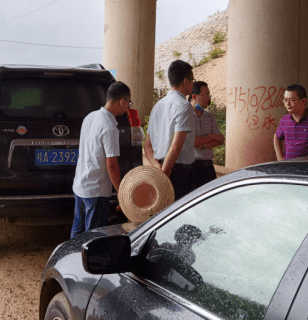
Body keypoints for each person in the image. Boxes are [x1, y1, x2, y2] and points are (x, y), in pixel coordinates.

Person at [71, 81, 132, 238]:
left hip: (80, 186)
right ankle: (85, 263)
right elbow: (112, 164)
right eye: (128, 103)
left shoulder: (90, 117)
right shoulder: (110, 127)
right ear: (121, 101)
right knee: (93, 239)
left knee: (77, 232)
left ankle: (70, 260)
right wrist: (121, 192)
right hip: (96, 192)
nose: (128, 107)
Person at [144, 60, 196, 200]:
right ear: (185, 81)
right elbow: (175, 147)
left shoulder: (157, 106)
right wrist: (165, 174)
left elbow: (147, 146)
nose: (193, 83)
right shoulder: (184, 106)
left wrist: (157, 166)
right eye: (192, 80)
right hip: (177, 171)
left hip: (160, 166)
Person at [188, 81, 224, 189]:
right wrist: (212, 137)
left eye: (209, 95)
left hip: (208, 166)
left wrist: (202, 144)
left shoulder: (209, 116)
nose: (208, 98)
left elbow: (221, 139)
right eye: (205, 95)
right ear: (194, 96)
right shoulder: (186, 116)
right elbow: (191, 142)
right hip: (192, 166)